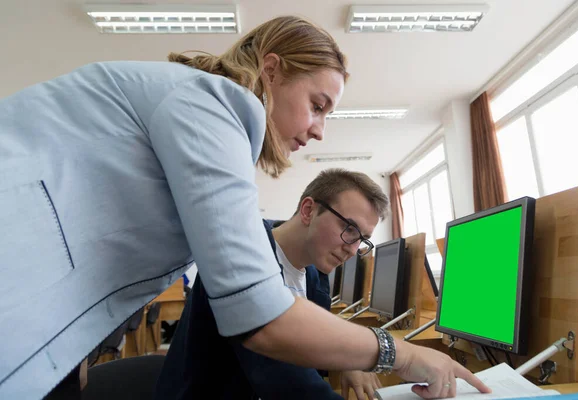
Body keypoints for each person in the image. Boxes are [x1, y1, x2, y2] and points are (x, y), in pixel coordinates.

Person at [0, 15, 490, 400]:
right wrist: (398, 355)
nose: (320, 129)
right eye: (317, 105)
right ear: (271, 70)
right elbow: (259, 317)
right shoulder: (214, 103)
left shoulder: (194, 107)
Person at [156, 168, 388, 400]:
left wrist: (346, 358)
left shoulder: (314, 277)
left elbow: (309, 349)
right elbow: (284, 378)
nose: (352, 249)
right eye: (349, 229)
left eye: (362, 239)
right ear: (308, 211)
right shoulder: (242, 258)